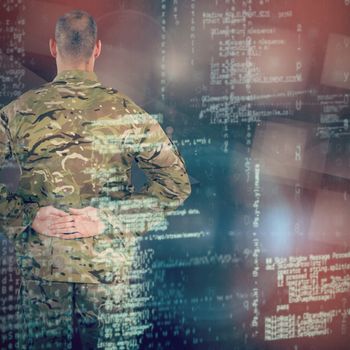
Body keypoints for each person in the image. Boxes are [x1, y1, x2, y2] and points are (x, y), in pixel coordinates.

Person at [0, 9, 191, 349]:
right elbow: (176, 185)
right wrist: (108, 219)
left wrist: (28, 216)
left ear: (53, 48)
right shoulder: (128, 113)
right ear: (98, 49)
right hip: (108, 278)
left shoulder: (18, 112)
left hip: (44, 273)